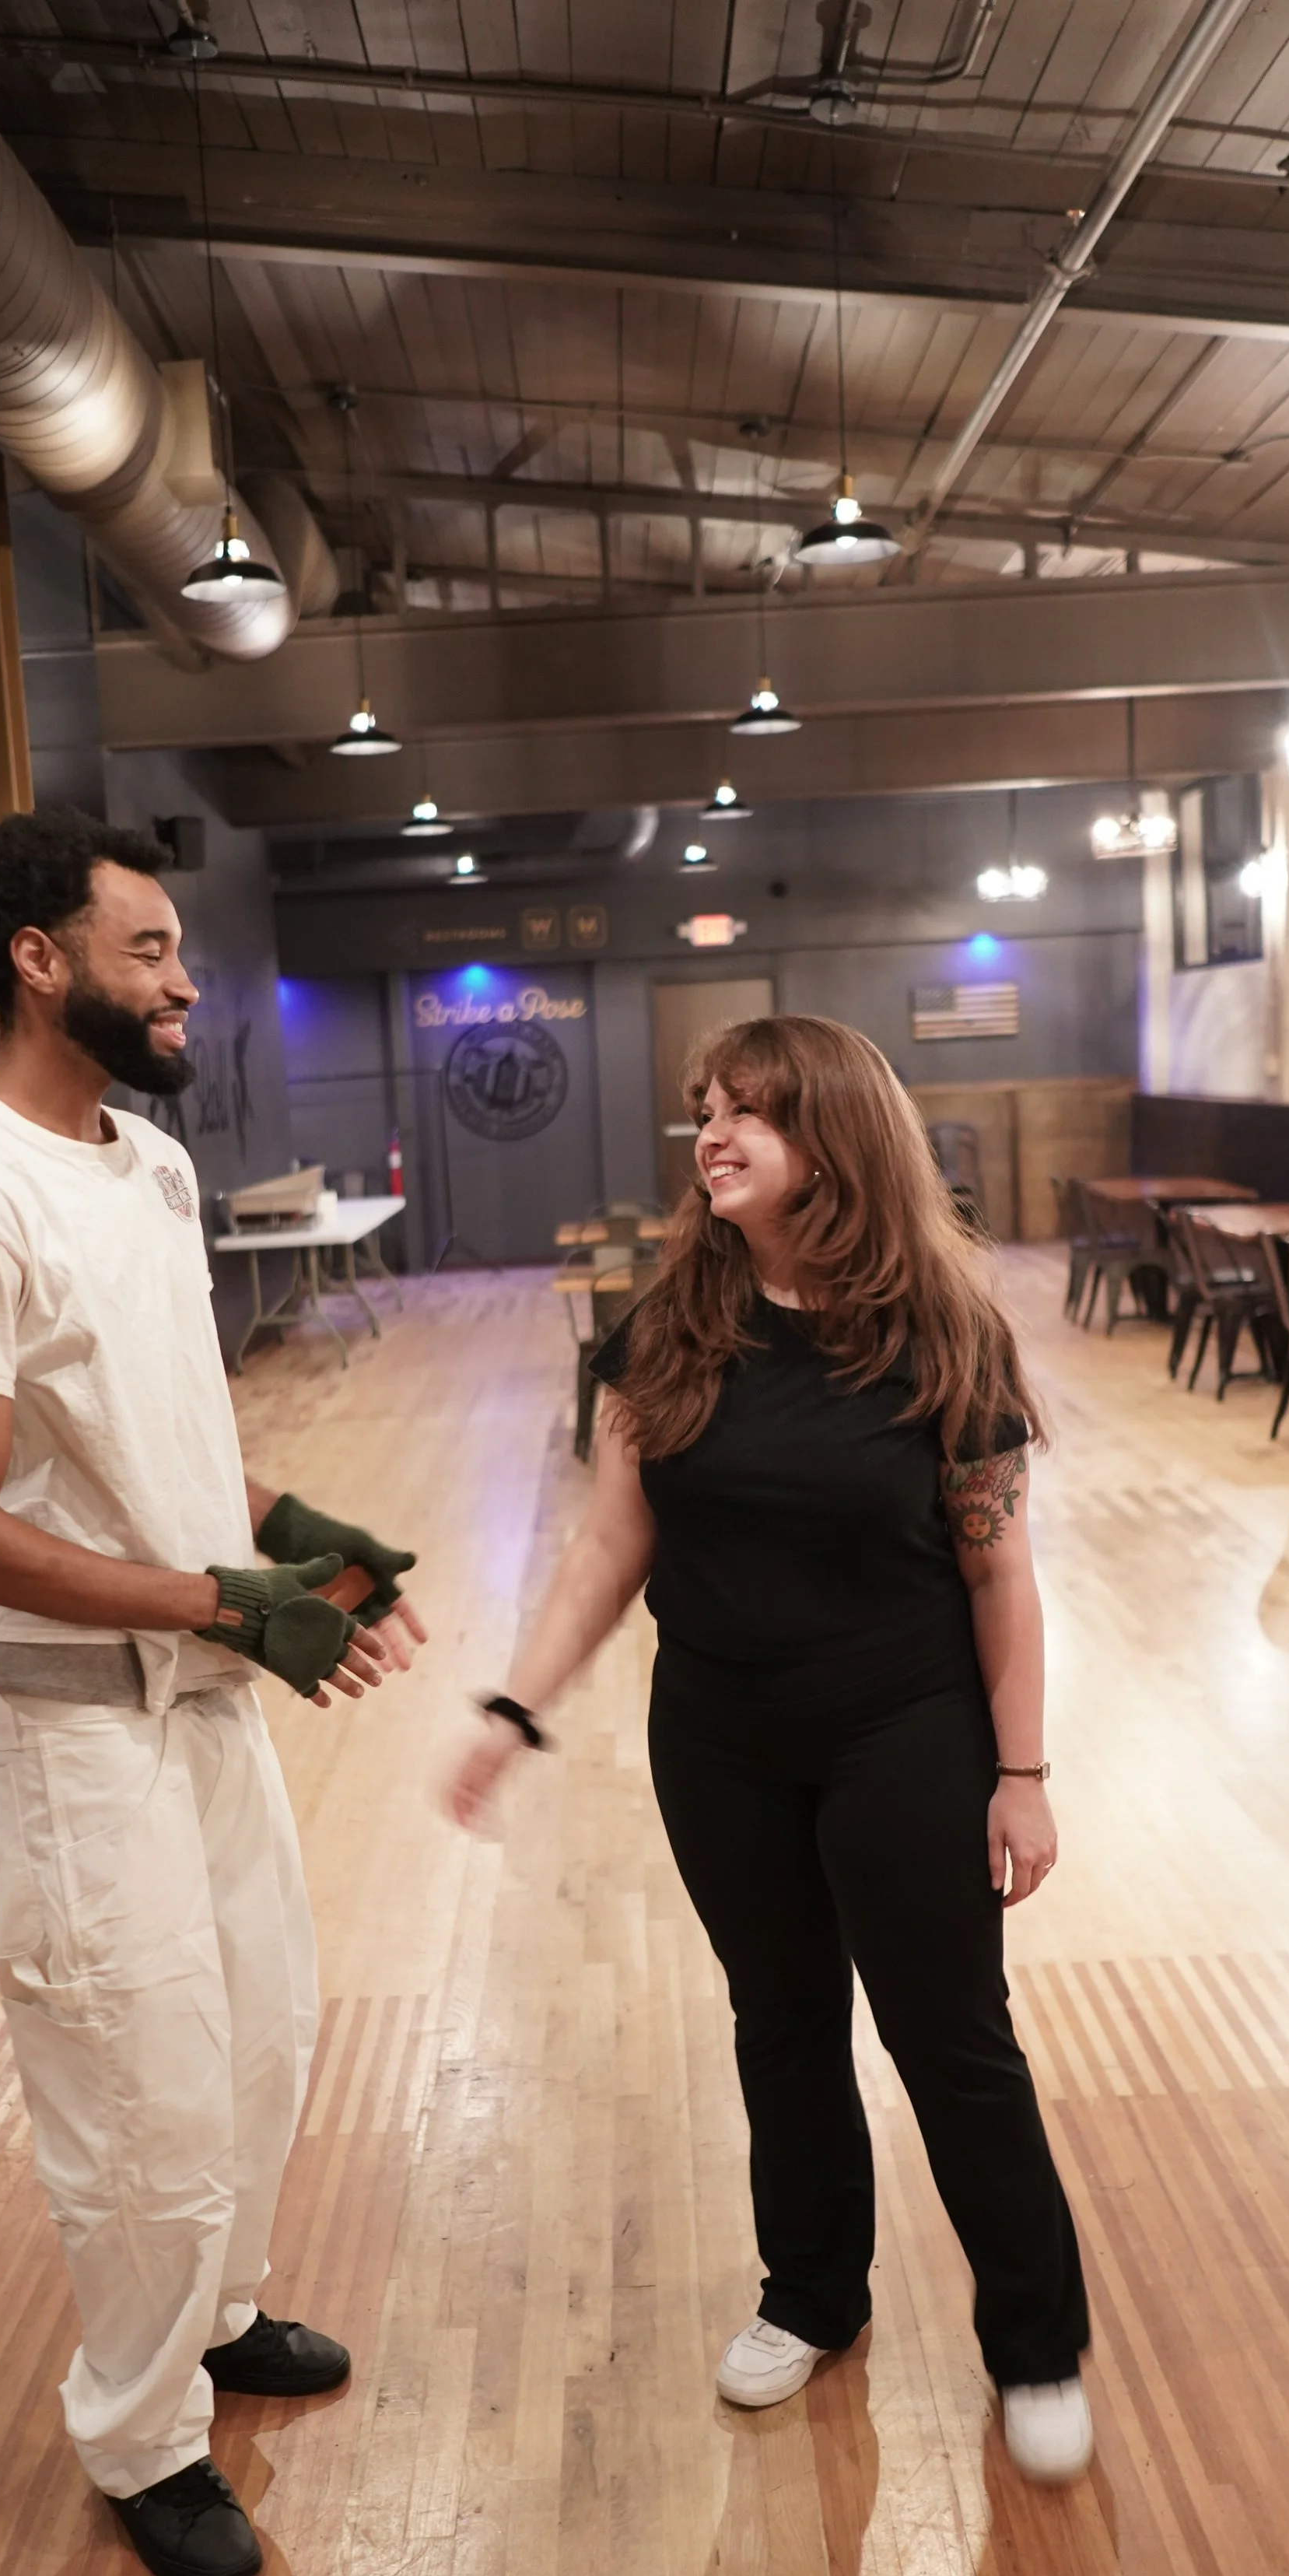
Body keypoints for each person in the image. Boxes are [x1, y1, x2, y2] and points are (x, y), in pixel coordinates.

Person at [0, 806, 427, 2576]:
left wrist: (285, 1532)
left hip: (196, 1683)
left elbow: (156, 1439)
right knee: (137, 2087)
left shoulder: (151, 1169)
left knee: (264, 2025)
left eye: (182, 952)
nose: (188, 984)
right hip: (68, 1720)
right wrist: (224, 1601)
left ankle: (220, 2312)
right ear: (40, 963)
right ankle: (138, 2435)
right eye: (150, 952)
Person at [447, 1015, 1091, 2483]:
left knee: (951, 2038)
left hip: (905, 1730)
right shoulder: (668, 1322)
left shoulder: (944, 1331)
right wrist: (515, 1702)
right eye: (704, 1112)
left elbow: (1000, 1572)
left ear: (837, 1139)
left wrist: (1024, 1772)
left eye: (748, 1113)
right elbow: (611, 1541)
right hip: (722, 1735)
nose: (712, 1137)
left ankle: (1037, 2342)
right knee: (780, 2018)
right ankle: (812, 2293)